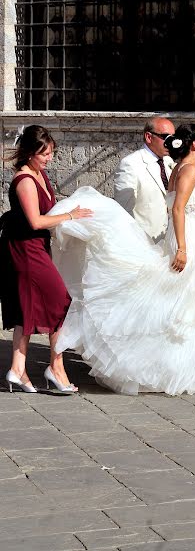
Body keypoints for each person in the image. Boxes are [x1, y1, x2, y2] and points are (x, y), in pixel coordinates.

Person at [49, 123, 195, 395]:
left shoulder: (176, 168)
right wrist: (182, 248)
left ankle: (183, 363)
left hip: (181, 234)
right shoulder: (190, 170)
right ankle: (188, 368)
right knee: (192, 300)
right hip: (187, 242)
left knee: (183, 301)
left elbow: (176, 207)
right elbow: (179, 208)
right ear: (194, 145)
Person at [0, 125, 93, 393]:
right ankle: (56, 368)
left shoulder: (39, 174)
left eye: (51, 152)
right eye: (45, 153)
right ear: (30, 153)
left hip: (36, 247)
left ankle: (18, 370)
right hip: (26, 249)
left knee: (25, 309)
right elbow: (36, 220)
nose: (49, 158)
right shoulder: (26, 180)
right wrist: (71, 216)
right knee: (61, 302)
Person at [114, 117, 176, 243]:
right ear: (149, 137)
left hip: (168, 239)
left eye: (173, 138)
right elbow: (124, 209)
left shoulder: (169, 162)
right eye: (166, 137)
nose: (170, 142)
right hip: (144, 241)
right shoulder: (130, 164)